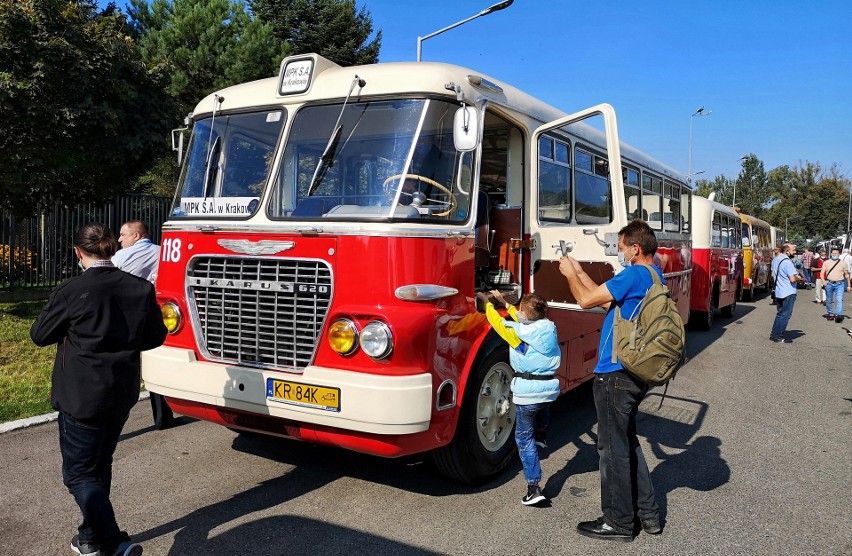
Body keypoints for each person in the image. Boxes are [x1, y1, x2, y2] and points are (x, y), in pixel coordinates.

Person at [30, 223, 167, 556]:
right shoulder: (139, 289)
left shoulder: (73, 290)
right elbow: (155, 336)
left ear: (79, 253)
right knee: (99, 464)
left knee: (78, 473)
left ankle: (114, 541)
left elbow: (39, 334)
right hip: (121, 392)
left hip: (82, 396)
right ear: (111, 248)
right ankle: (90, 538)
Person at [558, 220, 662, 542]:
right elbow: (605, 301)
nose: (619, 252)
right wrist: (578, 269)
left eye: (621, 246)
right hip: (635, 372)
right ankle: (648, 515)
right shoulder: (653, 276)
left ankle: (617, 522)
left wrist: (568, 275)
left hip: (615, 373)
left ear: (635, 248)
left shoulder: (633, 274)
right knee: (626, 442)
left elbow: (586, 301)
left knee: (612, 448)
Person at [476, 290, 560, 506]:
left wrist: (488, 305)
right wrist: (507, 302)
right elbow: (524, 319)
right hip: (549, 389)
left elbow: (499, 324)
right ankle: (542, 433)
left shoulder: (518, 335)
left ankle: (534, 487)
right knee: (543, 407)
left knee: (523, 439)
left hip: (528, 392)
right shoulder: (549, 328)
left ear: (523, 313)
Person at [112, 220, 175, 429]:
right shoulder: (164, 253)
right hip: (159, 317)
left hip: (127, 319)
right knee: (155, 365)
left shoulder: (120, 257)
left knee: (126, 369)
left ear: (137, 235)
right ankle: (162, 417)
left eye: (123, 235)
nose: (119, 239)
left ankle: (117, 418)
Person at [770, 242, 802, 342]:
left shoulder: (776, 259)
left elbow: (772, 274)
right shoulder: (787, 262)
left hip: (779, 291)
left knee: (780, 314)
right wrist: (799, 278)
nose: (795, 252)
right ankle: (778, 336)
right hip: (788, 291)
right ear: (787, 251)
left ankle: (774, 334)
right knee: (785, 315)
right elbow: (792, 279)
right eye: (793, 250)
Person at [820, 247, 851, 323]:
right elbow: (822, 273)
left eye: (836, 253)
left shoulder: (843, 263)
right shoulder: (826, 262)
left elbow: (847, 274)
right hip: (829, 283)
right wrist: (823, 281)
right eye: (833, 253)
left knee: (839, 300)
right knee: (829, 300)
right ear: (831, 254)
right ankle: (830, 314)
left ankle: (838, 315)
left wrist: (849, 285)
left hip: (840, 284)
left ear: (839, 254)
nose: (834, 255)